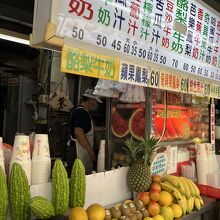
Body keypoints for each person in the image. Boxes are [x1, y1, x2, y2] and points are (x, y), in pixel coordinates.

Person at [66, 89, 103, 175]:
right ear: (90, 100)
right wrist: (90, 151)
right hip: (78, 151)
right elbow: (78, 132)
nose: (96, 105)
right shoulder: (82, 113)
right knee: (78, 180)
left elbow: (85, 128)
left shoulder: (79, 111)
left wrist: (98, 129)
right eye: (95, 102)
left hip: (74, 150)